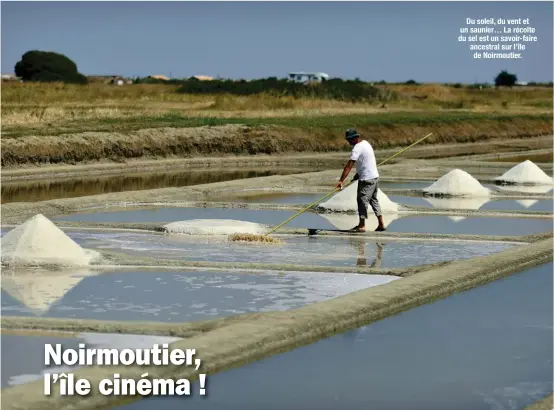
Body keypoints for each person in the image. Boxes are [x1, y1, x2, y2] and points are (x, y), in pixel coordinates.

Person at [336, 128, 386, 232]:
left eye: (350, 139)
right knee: (373, 200)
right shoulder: (365, 143)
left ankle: (362, 225)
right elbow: (365, 161)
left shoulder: (356, 149)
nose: (348, 141)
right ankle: (381, 224)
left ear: (356, 138)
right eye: (347, 139)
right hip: (374, 177)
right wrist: (358, 174)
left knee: (362, 201)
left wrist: (341, 181)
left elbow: (349, 166)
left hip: (367, 179)